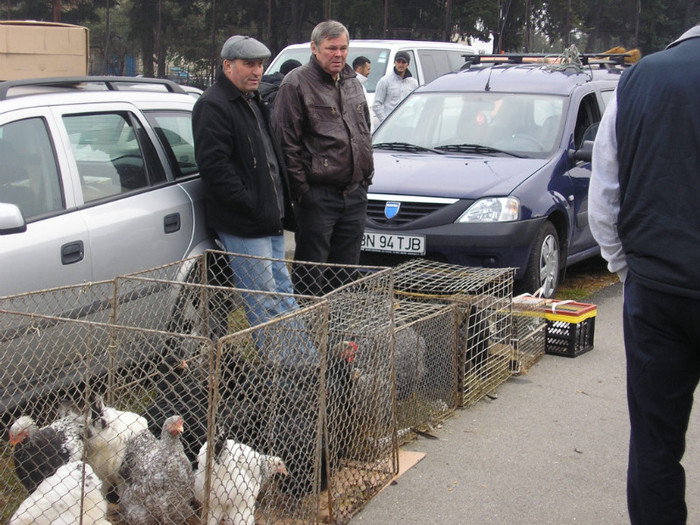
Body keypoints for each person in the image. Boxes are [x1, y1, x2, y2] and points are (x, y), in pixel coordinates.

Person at [588, 23, 700, 525]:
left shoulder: (639, 79)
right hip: (657, 278)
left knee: (655, 443)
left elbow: (605, 189)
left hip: (658, 287)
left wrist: (625, 268)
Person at [191, 35, 299, 334]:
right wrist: (250, 203)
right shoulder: (213, 105)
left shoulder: (253, 101)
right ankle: (283, 372)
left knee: (285, 297)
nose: (257, 71)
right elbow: (216, 170)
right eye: (249, 64)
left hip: (269, 217)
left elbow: (268, 158)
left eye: (261, 64)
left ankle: (303, 368)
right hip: (244, 222)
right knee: (263, 302)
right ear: (227, 65)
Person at [273, 20, 374, 296]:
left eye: (343, 48)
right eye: (331, 48)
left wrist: (366, 178)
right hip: (318, 195)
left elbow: (363, 130)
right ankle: (305, 331)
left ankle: (338, 333)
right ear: (314, 48)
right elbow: (286, 143)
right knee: (311, 271)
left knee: (346, 271)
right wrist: (303, 192)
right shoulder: (296, 83)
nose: (338, 54)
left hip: (354, 194)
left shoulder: (353, 82)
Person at [372, 51, 418, 123]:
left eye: (403, 62)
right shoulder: (385, 81)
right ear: (394, 62)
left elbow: (417, 105)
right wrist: (385, 121)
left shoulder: (413, 83)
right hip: (391, 126)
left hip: (409, 124)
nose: (400, 64)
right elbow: (376, 105)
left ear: (408, 64)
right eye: (398, 61)